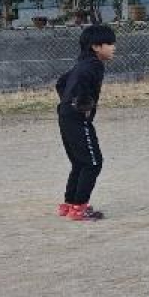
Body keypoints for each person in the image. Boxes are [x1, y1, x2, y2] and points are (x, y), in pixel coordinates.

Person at [55, 25, 116, 222]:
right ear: (96, 47)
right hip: (76, 117)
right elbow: (76, 85)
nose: (113, 47)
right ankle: (79, 208)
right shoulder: (94, 65)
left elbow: (61, 83)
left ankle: (69, 204)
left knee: (80, 162)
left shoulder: (82, 63)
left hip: (66, 115)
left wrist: (68, 101)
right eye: (110, 44)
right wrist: (82, 104)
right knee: (93, 162)